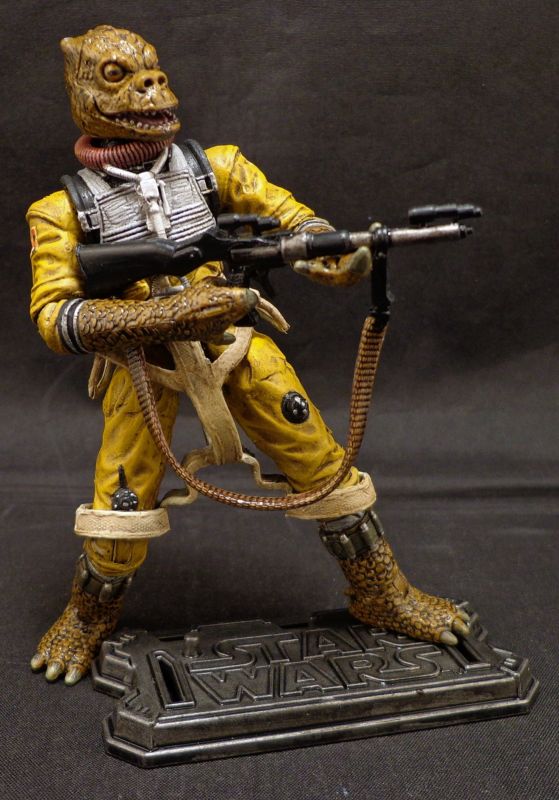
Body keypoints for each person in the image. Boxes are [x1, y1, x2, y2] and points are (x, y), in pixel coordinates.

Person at [27, 25, 469, 686]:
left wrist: (335, 255)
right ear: (82, 90)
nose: (150, 85)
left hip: (232, 346)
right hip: (139, 366)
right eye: (119, 76)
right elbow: (55, 316)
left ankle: (382, 592)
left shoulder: (218, 167)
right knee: (120, 503)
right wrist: (164, 315)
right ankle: (89, 616)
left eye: (152, 70)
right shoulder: (60, 211)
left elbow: (297, 222)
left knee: (319, 458)